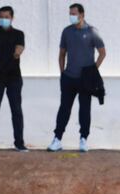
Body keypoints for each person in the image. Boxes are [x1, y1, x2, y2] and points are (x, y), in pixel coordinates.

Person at [47, 3, 106, 152]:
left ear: (82, 15)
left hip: (85, 79)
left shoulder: (92, 31)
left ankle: (83, 139)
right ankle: (57, 139)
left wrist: (92, 71)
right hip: (68, 77)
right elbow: (61, 54)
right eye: (70, 13)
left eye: (74, 14)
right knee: (64, 109)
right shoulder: (66, 32)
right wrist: (62, 73)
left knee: (84, 110)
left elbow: (102, 52)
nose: (71, 16)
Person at [0, 6, 28, 152]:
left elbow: (18, 51)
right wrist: (3, 53)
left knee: (16, 110)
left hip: (13, 77)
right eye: (1, 17)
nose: (4, 19)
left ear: (12, 18)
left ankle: (19, 143)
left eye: (6, 17)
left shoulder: (18, 34)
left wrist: (2, 53)